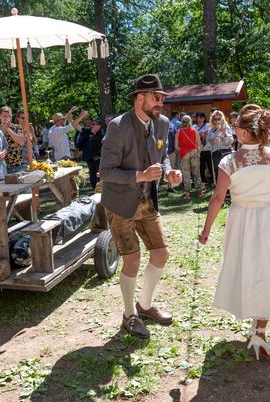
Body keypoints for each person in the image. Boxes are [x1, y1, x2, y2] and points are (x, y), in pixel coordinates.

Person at [198, 105, 270, 358]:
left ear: (247, 133)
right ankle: (259, 330)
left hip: (242, 219)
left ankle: (256, 326)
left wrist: (206, 230)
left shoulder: (230, 161)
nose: (235, 129)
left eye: (238, 126)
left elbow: (217, 198)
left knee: (247, 267)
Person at [100, 74, 182, 339]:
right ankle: (129, 316)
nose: (160, 102)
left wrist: (169, 172)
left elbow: (162, 156)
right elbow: (106, 172)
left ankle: (145, 306)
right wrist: (140, 176)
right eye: (155, 97)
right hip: (121, 203)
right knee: (132, 259)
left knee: (161, 254)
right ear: (139, 98)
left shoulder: (163, 123)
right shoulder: (118, 126)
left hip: (148, 201)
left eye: (161, 98)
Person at [175, 115, 203, 199]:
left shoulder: (179, 131)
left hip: (184, 153)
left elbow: (176, 146)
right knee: (196, 172)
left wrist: (182, 151)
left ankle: (187, 194)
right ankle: (200, 193)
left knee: (186, 173)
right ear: (190, 121)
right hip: (194, 152)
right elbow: (198, 143)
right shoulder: (194, 130)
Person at [207, 110, 234, 185]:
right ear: (212, 120)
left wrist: (225, 134)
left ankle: (228, 191)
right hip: (215, 153)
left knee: (227, 171)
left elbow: (231, 141)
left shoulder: (227, 128)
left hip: (226, 152)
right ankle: (219, 190)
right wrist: (212, 142)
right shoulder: (210, 130)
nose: (217, 121)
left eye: (219, 119)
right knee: (217, 172)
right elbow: (207, 145)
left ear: (222, 119)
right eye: (215, 119)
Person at [0, 106, 27, 174]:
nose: (7, 118)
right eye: (5, 116)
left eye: (9, 116)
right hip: (3, 168)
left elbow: (21, 142)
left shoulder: (17, 127)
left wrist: (8, 129)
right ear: (0, 116)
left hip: (19, 166)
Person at [194, 111, 212, 185]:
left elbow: (212, 135)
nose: (199, 119)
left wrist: (206, 135)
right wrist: (199, 135)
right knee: (201, 166)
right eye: (198, 118)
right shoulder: (194, 127)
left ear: (204, 118)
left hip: (208, 149)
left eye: (201, 117)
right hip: (199, 150)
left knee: (210, 165)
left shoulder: (208, 126)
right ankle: (203, 180)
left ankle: (213, 179)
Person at [87, 118, 104, 189]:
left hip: (99, 160)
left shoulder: (102, 135)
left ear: (99, 126)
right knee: (93, 179)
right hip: (92, 160)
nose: (92, 126)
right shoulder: (93, 133)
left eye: (93, 124)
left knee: (99, 180)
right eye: (92, 124)